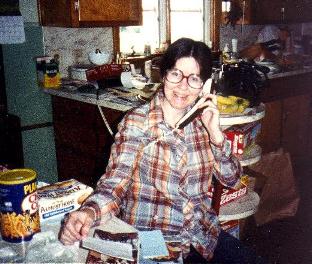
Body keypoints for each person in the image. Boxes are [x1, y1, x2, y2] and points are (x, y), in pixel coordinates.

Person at [60, 38, 266, 263]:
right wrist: (88, 213)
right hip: (155, 240)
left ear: (205, 85)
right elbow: (114, 184)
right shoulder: (137, 122)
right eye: (176, 74)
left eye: (194, 79)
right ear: (164, 74)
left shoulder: (204, 122)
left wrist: (216, 136)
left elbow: (231, 179)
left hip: (202, 235)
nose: (183, 86)